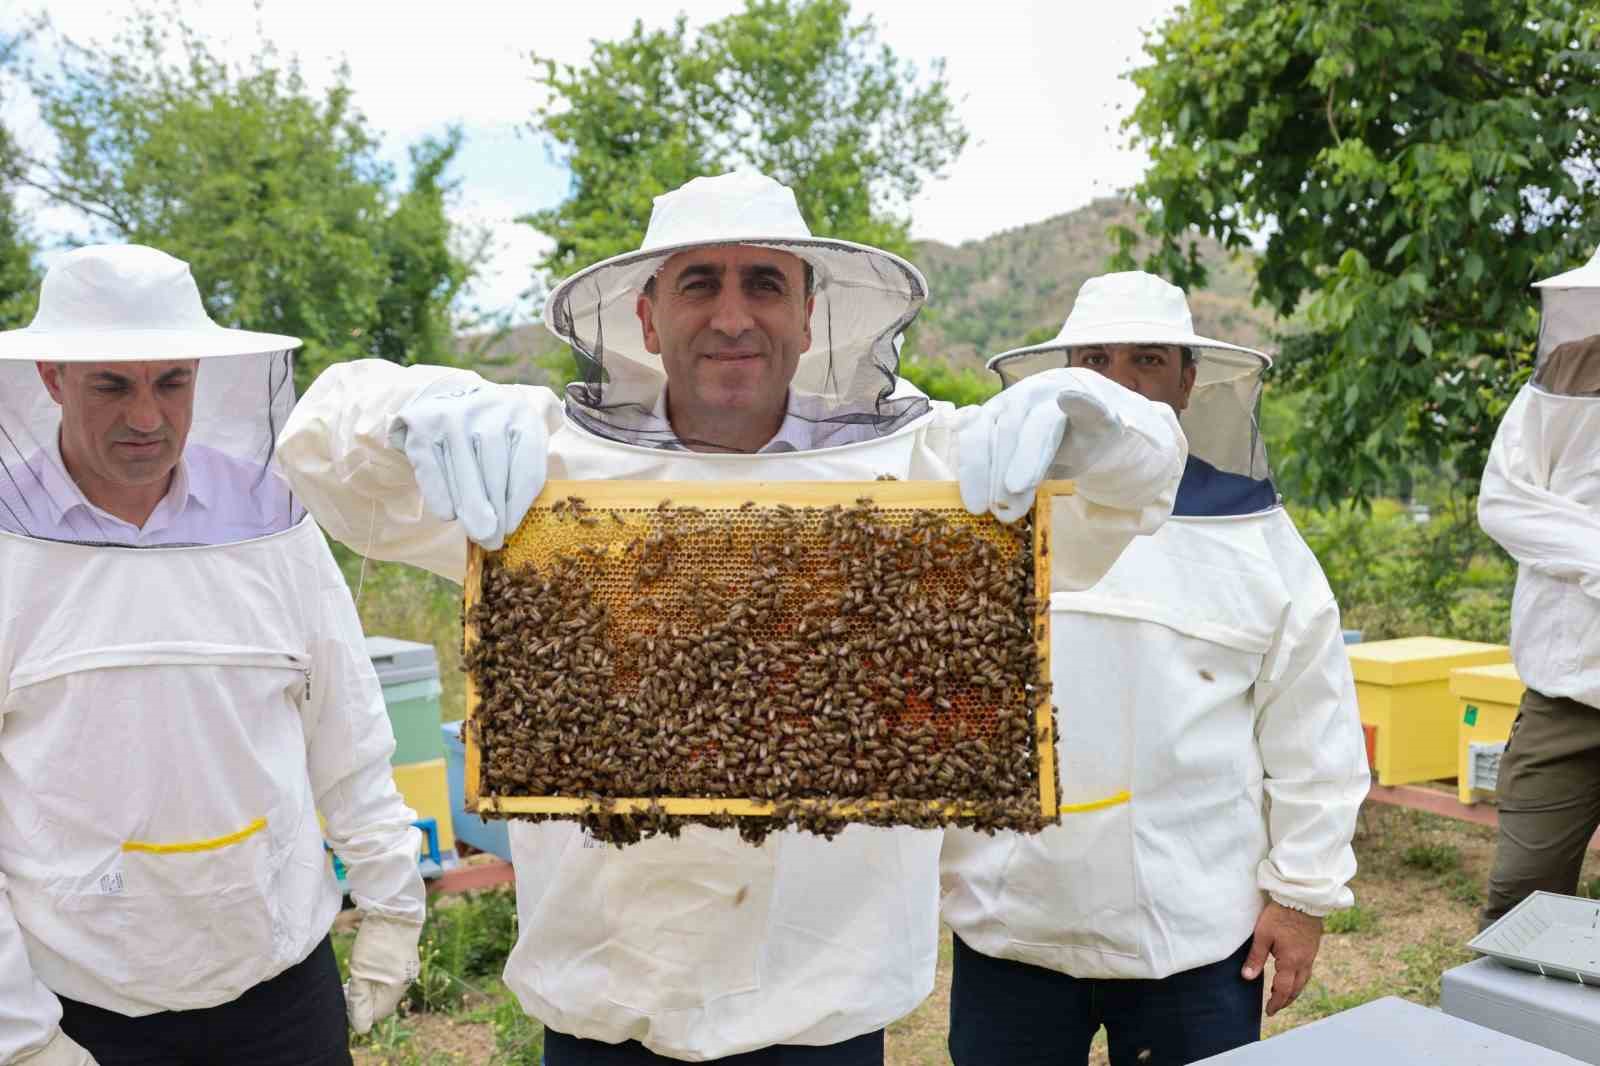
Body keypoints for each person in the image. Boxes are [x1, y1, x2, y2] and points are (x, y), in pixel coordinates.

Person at [275, 171, 1189, 1064]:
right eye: (698, 282)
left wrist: (1098, 417)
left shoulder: (929, 468)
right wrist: (420, 408)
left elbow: (1136, 488)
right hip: (606, 1011)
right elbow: (316, 446)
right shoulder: (543, 468)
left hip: (825, 1012)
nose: (732, 315)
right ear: (647, 315)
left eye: (764, 283)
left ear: (808, 314)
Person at [0, 245, 425, 1066]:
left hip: (280, 986)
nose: (148, 418)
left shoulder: (269, 517)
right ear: (52, 378)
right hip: (80, 1006)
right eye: (112, 385)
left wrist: (394, 903)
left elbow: (345, 722)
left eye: (172, 381)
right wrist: (20, 1035)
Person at [940, 272, 1370, 1066]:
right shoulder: (993, 519)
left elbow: (1315, 732)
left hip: (1194, 936)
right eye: (1096, 360)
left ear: (1188, 379)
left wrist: (1303, 897)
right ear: (1067, 372)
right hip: (1015, 923)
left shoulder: (1259, 540)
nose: (1120, 385)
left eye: (1146, 361)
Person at [1477, 244, 1600, 926]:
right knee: (1520, 907)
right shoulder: (1567, 371)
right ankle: (1500, 1033)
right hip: (1565, 699)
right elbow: (1505, 502)